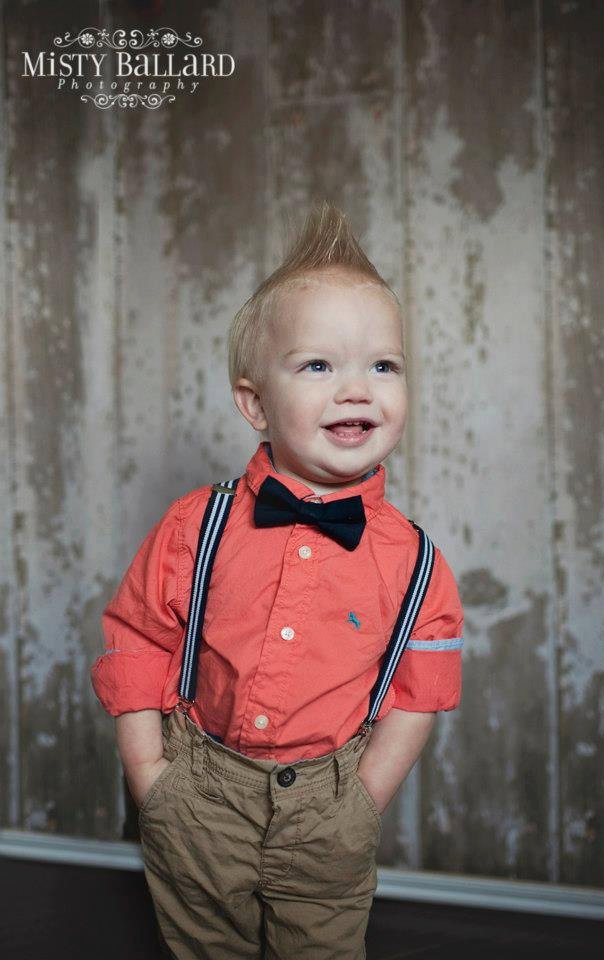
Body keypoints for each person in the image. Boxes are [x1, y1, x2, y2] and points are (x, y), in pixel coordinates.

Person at [91, 202, 464, 960]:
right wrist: (149, 778)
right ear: (255, 403)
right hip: (198, 792)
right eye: (318, 365)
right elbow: (136, 639)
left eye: (382, 365)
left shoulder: (415, 561)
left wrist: (363, 802)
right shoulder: (196, 525)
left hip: (328, 808)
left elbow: (422, 694)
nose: (356, 388)